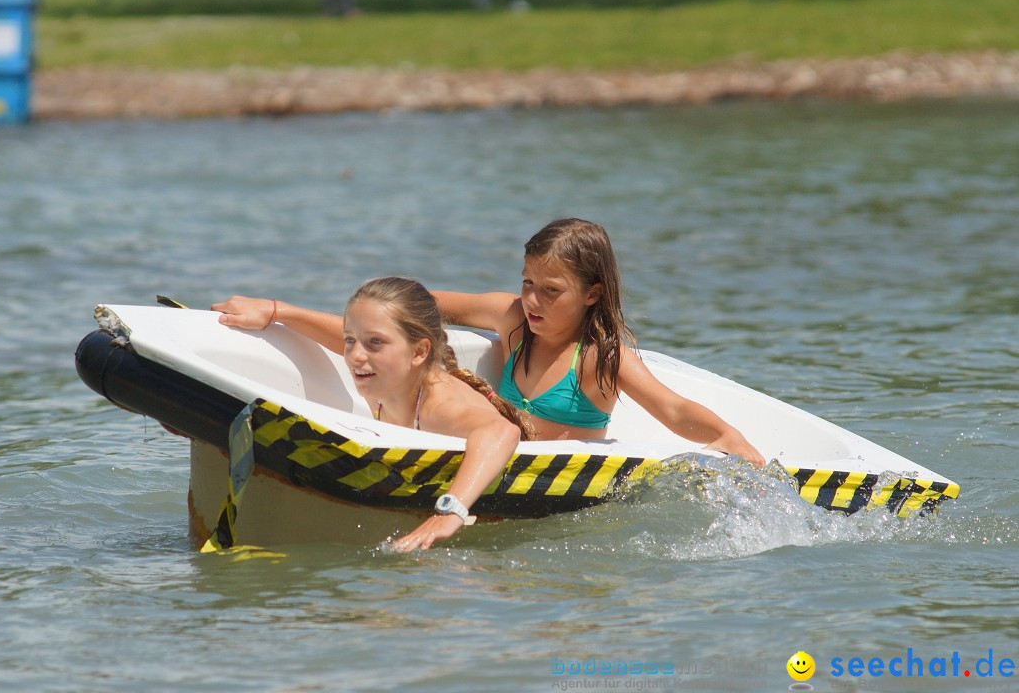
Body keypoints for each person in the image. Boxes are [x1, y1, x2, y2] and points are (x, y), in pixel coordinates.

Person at [211, 277, 532, 552]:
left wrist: (450, 511)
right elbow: (353, 335)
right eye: (352, 341)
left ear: (419, 351)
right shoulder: (392, 372)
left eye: (375, 343)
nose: (356, 355)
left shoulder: (438, 400)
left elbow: (501, 433)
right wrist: (277, 311)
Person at [432, 218, 766, 466]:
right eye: (527, 282)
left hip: (564, 482)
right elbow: (425, 303)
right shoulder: (512, 319)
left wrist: (726, 434)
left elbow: (672, 408)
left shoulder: (601, 358)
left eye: (551, 290)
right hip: (502, 462)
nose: (533, 300)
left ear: (592, 294)